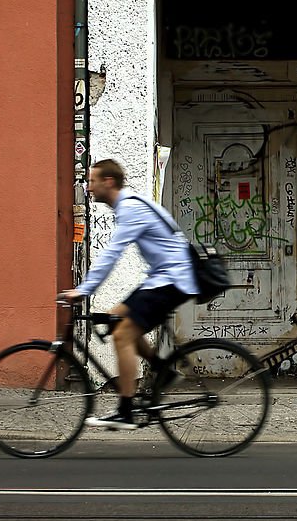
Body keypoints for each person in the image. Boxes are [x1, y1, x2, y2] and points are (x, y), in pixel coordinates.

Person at [59, 158, 198, 428]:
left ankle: (125, 410)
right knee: (116, 317)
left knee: (122, 334)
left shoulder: (130, 208)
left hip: (173, 279)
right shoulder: (129, 204)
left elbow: (112, 254)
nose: (88, 187)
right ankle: (162, 370)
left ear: (107, 182)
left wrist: (84, 290)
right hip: (163, 277)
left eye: (91, 181)